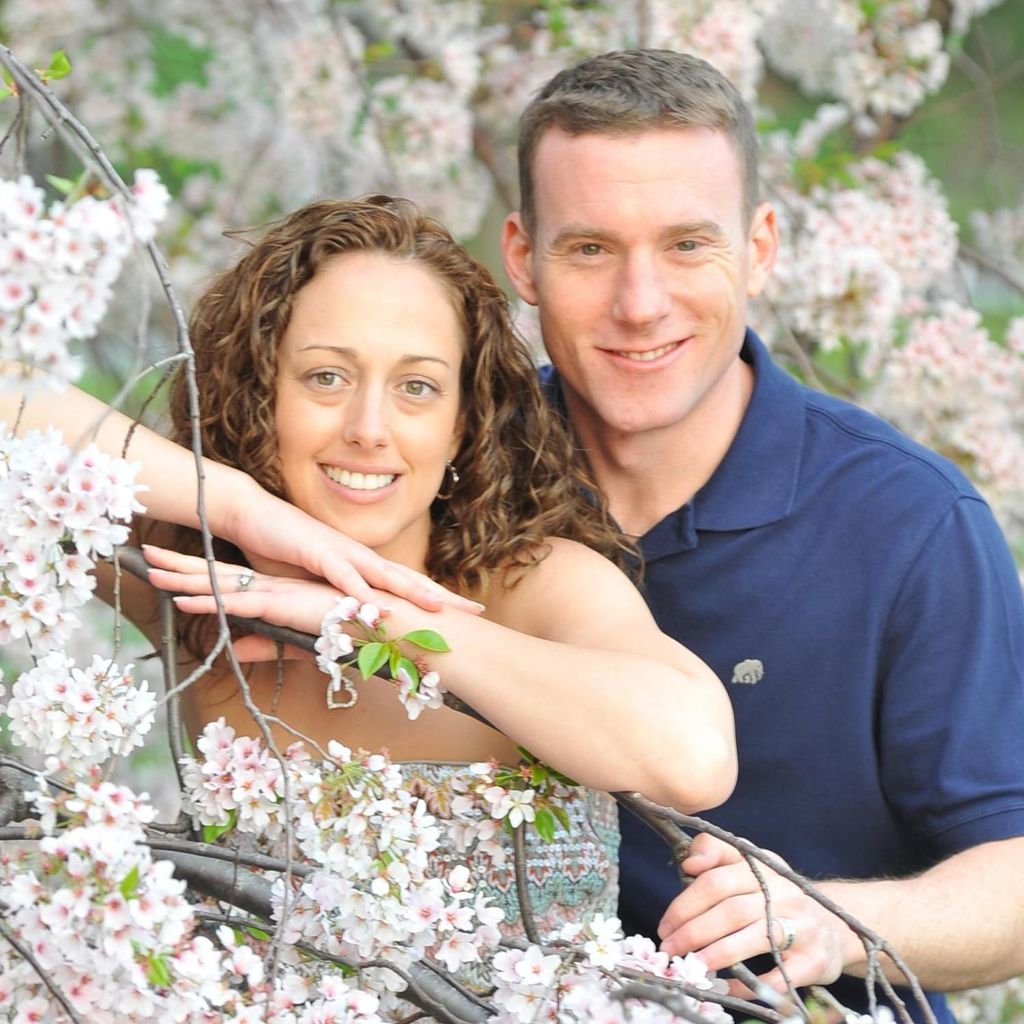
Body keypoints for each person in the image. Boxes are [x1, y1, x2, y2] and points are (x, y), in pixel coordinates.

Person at [2, 194, 735, 939]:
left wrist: (371, 621)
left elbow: (694, 759)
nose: (368, 429)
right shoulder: (196, 575)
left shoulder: (536, 585)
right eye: (326, 377)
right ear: (260, 393)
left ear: (461, 424)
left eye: (417, 387)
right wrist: (235, 506)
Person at [497, 48, 1024, 1023]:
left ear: (762, 247)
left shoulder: (909, 523)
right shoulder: (451, 478)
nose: (640, 303)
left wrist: (832, 921)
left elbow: (1015, 881)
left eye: (687, 245)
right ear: (523, 258)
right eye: (591, 249)